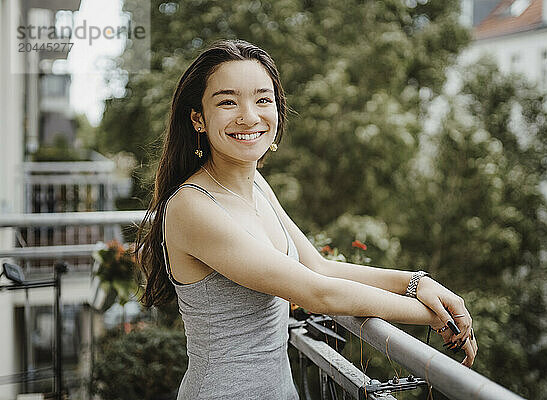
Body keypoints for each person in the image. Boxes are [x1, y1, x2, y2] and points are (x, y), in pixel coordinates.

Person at [135, 39, 477, 400]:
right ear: (198, 118)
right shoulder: (192, 206)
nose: (249, 116)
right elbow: (318, 294)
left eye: (263, 99)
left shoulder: (256, 185)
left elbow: (318, 267)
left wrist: (416, 282)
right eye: (227, 101)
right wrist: (436, 315)